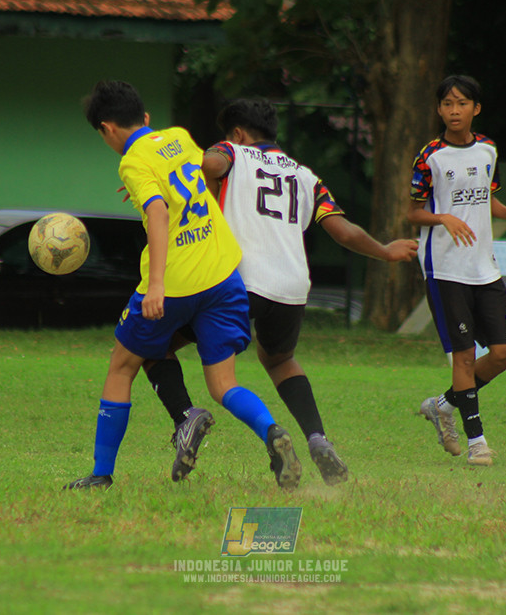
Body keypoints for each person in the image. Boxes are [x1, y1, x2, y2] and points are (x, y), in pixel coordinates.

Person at [145, 98, 418, 486]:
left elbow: (210, 164)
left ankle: (186, 418)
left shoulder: (231, 152)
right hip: (292, 287)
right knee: (279, 360)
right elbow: (342, 230)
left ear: (238, 134)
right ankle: (317, 438)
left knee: (155, 346)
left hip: (240, 282)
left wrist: (162, 177)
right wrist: (385, 250)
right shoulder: (305, 176)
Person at [64, 80, 302, 491]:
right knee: (224, 383)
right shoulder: (177, 137)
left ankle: (102, 473)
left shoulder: (132, 162)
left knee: (123, 365)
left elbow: (157, 211)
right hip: (223, 272)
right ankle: (271, 432)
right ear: (146, 118)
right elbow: (197, 178)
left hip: (176, 279)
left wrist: (155, 285)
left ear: (106, 129)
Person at [406, 75, 506, 467]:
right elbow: (413, 211)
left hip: (484, 266)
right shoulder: (430, 157)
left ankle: (443, 405)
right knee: (463, 357)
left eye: (461, 103)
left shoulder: (488, 150)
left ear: (475, 109)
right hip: (445, 268)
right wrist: (442, 217)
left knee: (504, 352)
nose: (453, 110)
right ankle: (477, 442)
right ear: (439, 110)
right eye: (447, 104)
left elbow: (485, 200)